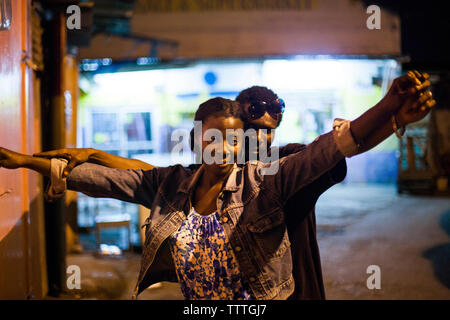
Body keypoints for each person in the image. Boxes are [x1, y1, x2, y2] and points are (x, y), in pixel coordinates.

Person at [0, 73, 435, 299]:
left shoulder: (278, 170)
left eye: (261, 133)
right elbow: (137, 177)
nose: (247, 142)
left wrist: (392, 112)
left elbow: (341, 145)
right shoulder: (178, 181)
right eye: (242, 131)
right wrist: (54, 159)